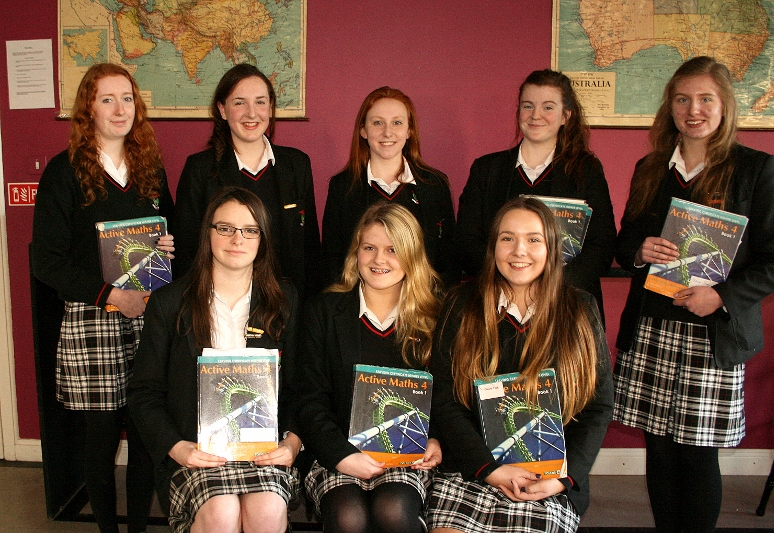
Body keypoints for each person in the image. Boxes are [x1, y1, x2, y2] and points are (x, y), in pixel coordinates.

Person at [613, 56, 774, 532]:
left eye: (705, 99)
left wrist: (722, 296)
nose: (693, 109)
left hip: (711, 335)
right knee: (659, 448)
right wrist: (638, 249)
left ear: (724, 106)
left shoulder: (756, 169)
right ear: (669, 106)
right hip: (652, 327)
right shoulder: (650, 167)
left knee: (696, 454)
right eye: (682, 99)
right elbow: (624, 238)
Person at [31, 63, 174, 533]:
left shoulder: (150, 166)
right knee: (102, 438)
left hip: (148, 317)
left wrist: (169, 247)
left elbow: (169, 235)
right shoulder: (63, 171)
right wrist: (111, 294)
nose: (119, 109)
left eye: (127, 98)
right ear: (87, 108)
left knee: (146, 431)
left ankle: (136, 528)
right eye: (107, 99)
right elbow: (47, 261)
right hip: (95, 316)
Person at [427, 197, 613, 533]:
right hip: (472, 468)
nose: (519, 251)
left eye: (533, 239)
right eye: (507, 238)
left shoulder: (580, 309)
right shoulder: (461, 303)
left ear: (552, 248)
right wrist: (490, 469)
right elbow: (444, 400)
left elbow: (598, 408)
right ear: (493, 246)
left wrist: (562, 479)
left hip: (547, 477)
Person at [129, 187, 302, 533]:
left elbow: (302, 386)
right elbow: (143, 394)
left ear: (262, 239)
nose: (237, 239)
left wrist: (293, 443)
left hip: (263, 449)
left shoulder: (283, 300)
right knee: (221, 513)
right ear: (207, 233)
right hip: (194, 450)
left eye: (250, 230)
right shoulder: (169, 302)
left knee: (267, 510)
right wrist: (178, 449)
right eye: (225, 228)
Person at [296, 202, 443, 533]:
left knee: (392, 508)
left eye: (393, 250)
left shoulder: (436, 318)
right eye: (369, 248)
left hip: (407, 455)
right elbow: (309, 398)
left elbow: (447, 396)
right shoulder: (324, 311)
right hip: (335, 451)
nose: (379, 259)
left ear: (412, 256)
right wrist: (341, 455)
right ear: (356, 253)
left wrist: (435, 438)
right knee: (348, 516)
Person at [455, 69, 616, 320]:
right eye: (527, 106)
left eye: (548, 107)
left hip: (565, 308)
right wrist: (510, 283)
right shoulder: (487, 169)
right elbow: (466, 240)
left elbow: (602, 245)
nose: (536, 115)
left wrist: (548, 287)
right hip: (497, 308)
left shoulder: (587, 170)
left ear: (566, 116)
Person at [172, 63, 320, 299]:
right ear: (222, 109)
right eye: (239, 103)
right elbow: (187, 250)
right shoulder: (199, 169)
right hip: (221, 304)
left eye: (260, 102)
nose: (252, 113)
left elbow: (309, 250)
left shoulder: (297, 165)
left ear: (270, 107)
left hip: (287, 305)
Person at [321, 86, 457, 287]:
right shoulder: (343, 187)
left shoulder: (435, 185)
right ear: (363, 130)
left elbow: (448, 260)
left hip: (422, 309)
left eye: (397, 123)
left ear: (410, 130)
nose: (387, 132)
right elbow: (332, 261)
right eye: (377, 123)